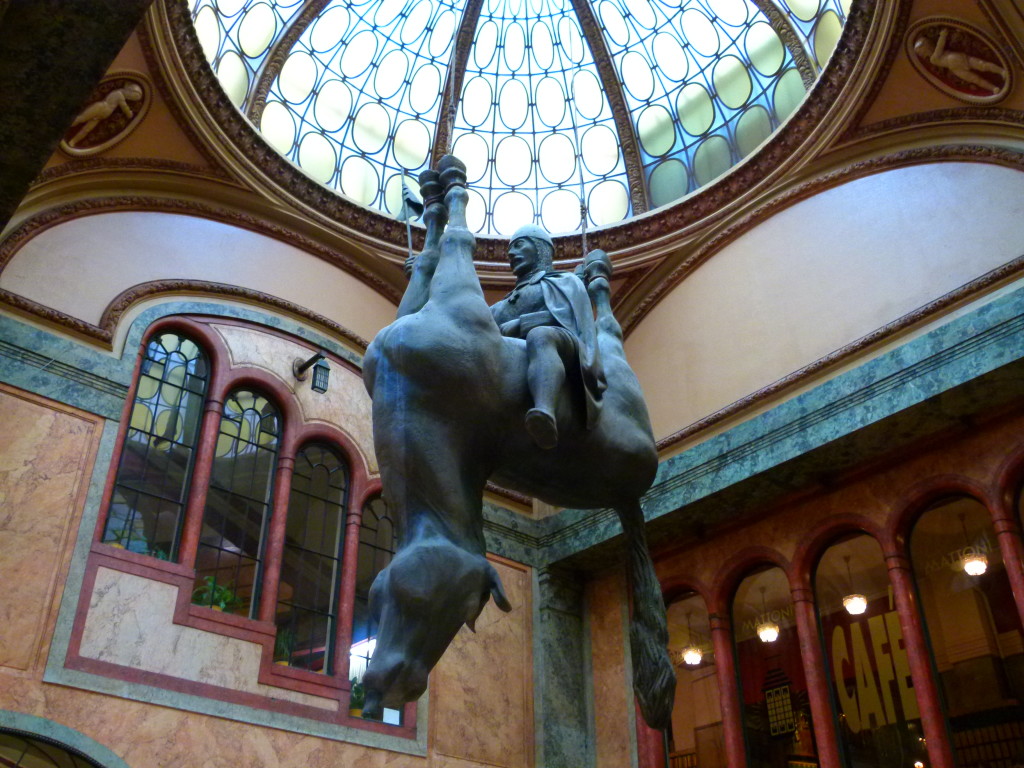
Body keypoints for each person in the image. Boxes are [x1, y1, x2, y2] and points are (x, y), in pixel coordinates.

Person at [490, 224, 606, 449]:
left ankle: (544, 411)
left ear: (540, 248)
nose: (511, 254)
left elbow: (567, 316)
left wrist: (521, 324)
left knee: (540, 335)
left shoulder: (564, 281)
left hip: (564, 343)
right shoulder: (499, 307)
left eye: (519, 245)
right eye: (509, 250)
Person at [914, 27, 1007, 94]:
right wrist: (943, 35)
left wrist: (943, 36)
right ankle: (993, 88)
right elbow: (939, 47)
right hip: (955, 68)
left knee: (982, 65)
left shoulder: (935, 55)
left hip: (957, 58)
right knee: (975, 79)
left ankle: (1001, 71)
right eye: (922, 53)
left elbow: (939, 47)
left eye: (923, 50)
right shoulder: (933, 59)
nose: (924, 53)